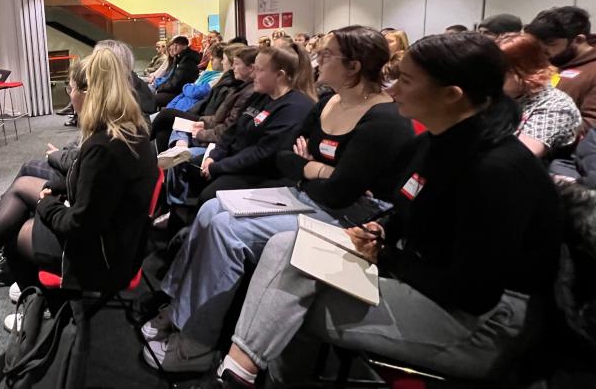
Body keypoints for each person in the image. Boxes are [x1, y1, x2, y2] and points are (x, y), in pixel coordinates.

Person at [202, 32, 559, 389]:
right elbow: (407, 209)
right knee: (284, 245)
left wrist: (386, 256)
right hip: (427, 275)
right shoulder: (435, 142)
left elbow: (474, 292)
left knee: (288, 303)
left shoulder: (497, 171)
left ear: (452, 94)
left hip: (483, 320)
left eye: (405, 81)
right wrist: (383, 230)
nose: (394, 91)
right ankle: (242, 371)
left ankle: (242, 374)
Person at [144, 26, 414, 374]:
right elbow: (288, 155)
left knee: (227, 229)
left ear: (354, 66)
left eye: (328, 55)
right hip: (306, 194)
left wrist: (309, 165)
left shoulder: (384, 119)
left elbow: (340, 191)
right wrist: (317, 168)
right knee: (212, 208)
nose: (318, 60)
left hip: (349, 217)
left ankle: (197, 341)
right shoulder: (329, 101)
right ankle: (181, 308)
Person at [0, 49, 159, 319]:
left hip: (104, 256)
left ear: (87, 93)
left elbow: (79, 225)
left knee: (15, 231)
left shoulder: (102, 146)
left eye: (70, 89)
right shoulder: (130, 129)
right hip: (121, 239)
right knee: (23, 187)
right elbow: (95, 188)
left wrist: (46, 204)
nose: (70, 95)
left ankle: (41, 305)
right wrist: (57, 189)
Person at [166, 43, 317, 207]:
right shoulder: (261, 96)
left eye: (259, 70)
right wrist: (213, 156)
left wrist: (217, 167)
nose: (253, 74)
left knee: (207, 197)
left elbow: (260, 154)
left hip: (260, 174)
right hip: (233, 161)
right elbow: (232, 130)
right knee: (183, 166)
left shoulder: (294, 107)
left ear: (279, 75)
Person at [496, 33, 581, 157]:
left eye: (501, 72)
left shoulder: (556, 105)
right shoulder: (498, 95)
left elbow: (522, 156)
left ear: (527, 71)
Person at [525, 6, 596, 135]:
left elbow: (591, 127)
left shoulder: (592, 72)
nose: (542, 49)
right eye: (538, 43)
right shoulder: (552, 62)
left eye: (550, 43)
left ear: (579, 40)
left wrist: (541, 133)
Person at [166, 43, 225, 111]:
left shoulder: (220, 77)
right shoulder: (206, 73)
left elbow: (196, 93)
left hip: (189, 111)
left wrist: (186, 86)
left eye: (213, 59)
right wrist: (170, 107)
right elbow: (183, 94)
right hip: (179, 107)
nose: (210, 61)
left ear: (223, 60)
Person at [155, 36, 201, 107]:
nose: (174, 47)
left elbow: (175, 83)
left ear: (185, 46)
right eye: (174, 45)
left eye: (177, 45)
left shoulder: (187, 62)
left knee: (153, 98)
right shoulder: (179, 59)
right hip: (175, 90)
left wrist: (160, 88)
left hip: (179, 92)